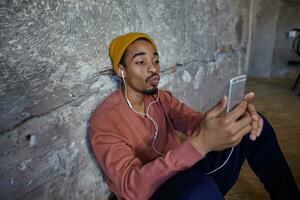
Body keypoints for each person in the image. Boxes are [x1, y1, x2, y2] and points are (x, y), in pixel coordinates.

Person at [90, 32, 300, 200]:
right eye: (140, 62)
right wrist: (199, 145)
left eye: (155, 60)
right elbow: (131, 189)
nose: (153, 69)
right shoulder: (106, 120)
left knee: (254, 124)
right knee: (200, 187)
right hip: (153, 192)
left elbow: (195, 121)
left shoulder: (161, 98)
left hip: (183, 172)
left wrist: (227, 118)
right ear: (121, 70)